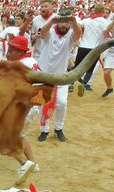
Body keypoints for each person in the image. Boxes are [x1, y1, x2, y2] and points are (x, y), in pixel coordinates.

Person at [36, 9, 82, 143]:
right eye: (61, 22)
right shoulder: (49, 30)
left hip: (61, 76)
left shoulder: (71, 34)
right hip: (43, 74)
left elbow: (78, 35)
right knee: (42, 103)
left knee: (62, 103)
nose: (63, 25)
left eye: (66, 23)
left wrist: (73, 23)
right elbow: (42, 34)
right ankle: (44, 129)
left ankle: (58, 129)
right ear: (57, 21)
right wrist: (52, 21)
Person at [4, 36, 40, 184]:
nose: (8, 53)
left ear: (20, 51)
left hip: (24, 105)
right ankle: (34, 164)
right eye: (9, 49)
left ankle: (24, 163)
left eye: (12, 50)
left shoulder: (20, 65)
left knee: (8, 137)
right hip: (33, 103)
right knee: (20, 135)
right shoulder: (30, 61)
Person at [75, 4, 109, 95]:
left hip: (83, 46)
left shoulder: (87, 20)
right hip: (95, 49)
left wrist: (80, 35)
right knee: (90, 70)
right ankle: (84, 84)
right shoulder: (104, 22)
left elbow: (78, 24)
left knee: (76, 67)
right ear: (102, 11)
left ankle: (73, 83)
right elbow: (106, 34)